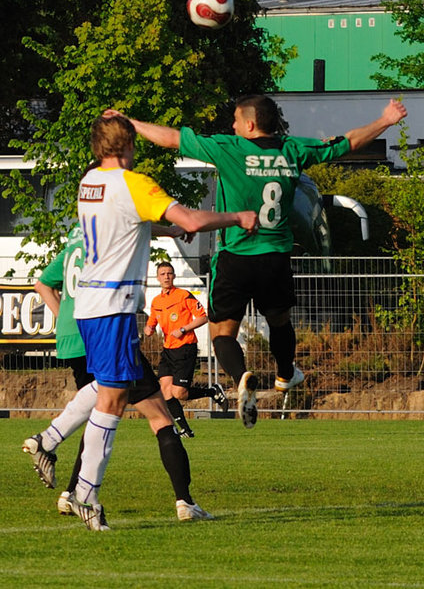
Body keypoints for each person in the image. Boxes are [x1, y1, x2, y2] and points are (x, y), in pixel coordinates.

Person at [103, 96, 408, 430]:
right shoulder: (294, 149)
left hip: (235, 256)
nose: (232, 125)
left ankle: (240, 377)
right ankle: (285, 372)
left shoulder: (229, 147)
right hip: (275, 258)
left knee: (222, 334)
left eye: (235, 119)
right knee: (280, 321)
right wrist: (386, 120)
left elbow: (173, 137)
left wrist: (130, 123)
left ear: (250, 124)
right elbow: (346, 143)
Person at [24, 113, 257, 531]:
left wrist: (164, 230)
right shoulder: (137, 183)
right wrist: (236, 217)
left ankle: (54, 448)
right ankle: (84, 493)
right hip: (114, 305)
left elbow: (124, 222)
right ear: (129, 145)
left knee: (107, 388)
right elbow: (190, 219)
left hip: (90, 306)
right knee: (112, 401)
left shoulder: (88, 182)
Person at [27, 221, 196, 516]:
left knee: (99, 412)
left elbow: (41, 283)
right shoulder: (106, 233)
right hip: (104, 332)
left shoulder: (75, 239)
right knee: (159, 417)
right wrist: (175, 228)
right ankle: (185, 502)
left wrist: (68, 317)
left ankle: (70, 491)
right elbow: (136, 223)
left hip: (73, 335)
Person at [144, 261, 228, 438]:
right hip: (168, 350)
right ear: (158, 277)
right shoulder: (156, 301)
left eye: (169, 273)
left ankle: (212, 391)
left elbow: (202, 317)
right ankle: (185, 430)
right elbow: (151, 322)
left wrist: (183, 329)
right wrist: (148, 329)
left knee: (179, 393)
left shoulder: (183, 295)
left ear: (174, 276)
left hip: (185, 348)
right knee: (165, 391)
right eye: (163, 274)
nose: (166, 276)